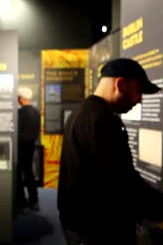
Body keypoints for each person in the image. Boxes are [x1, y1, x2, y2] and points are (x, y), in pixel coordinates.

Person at [58, 58, 163, 244]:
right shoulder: (104, 121)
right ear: (120, 84)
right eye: (138, 91)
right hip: (99, 231)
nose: (139, 100)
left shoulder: (79, 114)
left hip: (78, 225)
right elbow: (123, 183)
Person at [16, 87, 41, 212]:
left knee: (18, 174)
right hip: (30, 147)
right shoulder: (36, 112)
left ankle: (22, 203)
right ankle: (34, 201)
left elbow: (18, 133)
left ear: (20, 98)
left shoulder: (19, 114)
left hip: (20, 147)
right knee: (29, 173)